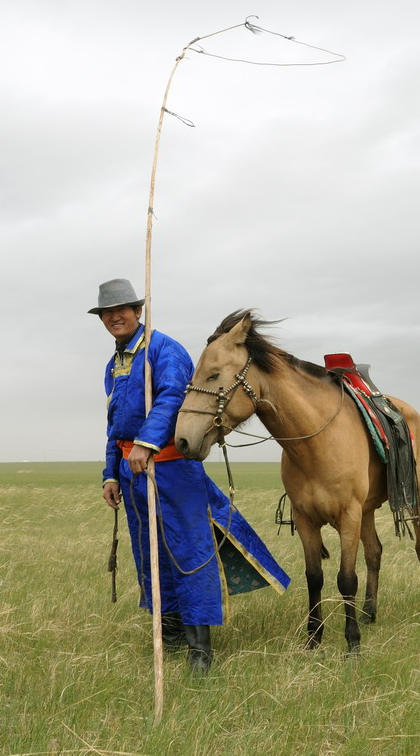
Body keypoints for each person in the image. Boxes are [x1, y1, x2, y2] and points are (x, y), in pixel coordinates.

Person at [91, 278, 290, 674]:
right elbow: (116, 424)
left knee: (189, 553)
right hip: (132, 474)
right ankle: (172, 633)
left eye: (122, 310)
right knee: (150, 555)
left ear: (138, 311)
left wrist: (148, 443)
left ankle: (201, 650)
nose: (115, 317)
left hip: (171, 469)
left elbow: (171, 398)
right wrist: (109, 474)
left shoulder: (164, 350)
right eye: (107, 313)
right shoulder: (115, 364)